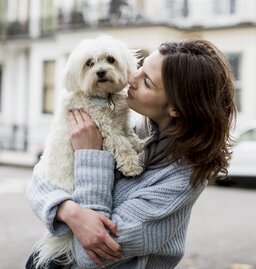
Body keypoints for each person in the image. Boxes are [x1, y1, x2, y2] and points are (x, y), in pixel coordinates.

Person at [26, 39, 236, 269]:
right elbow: (39, 180)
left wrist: (90, 156)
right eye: (141, 67)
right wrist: (69, 211)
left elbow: (89, 258)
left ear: (175, 107)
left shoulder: (180, 180)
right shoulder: (136, 127)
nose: (131, 78)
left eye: (146, 81)